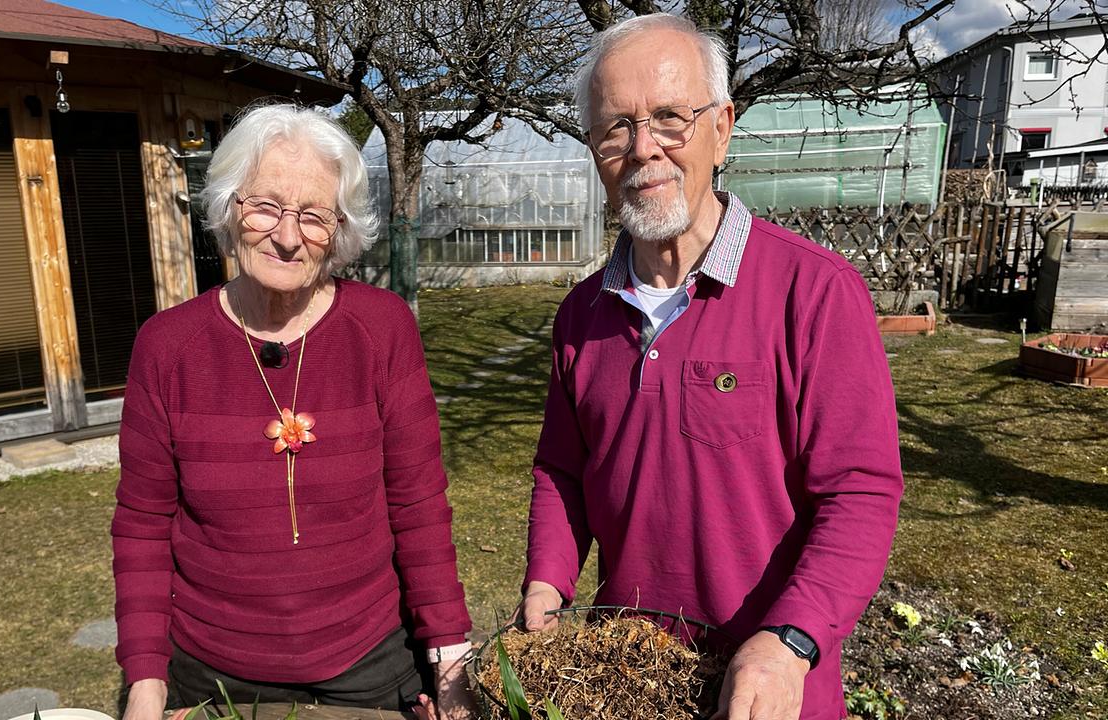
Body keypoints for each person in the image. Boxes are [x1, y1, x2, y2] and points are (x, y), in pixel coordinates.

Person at [518, 14, 903, 720]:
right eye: (616, 128)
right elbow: (563, 471)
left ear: (722, 128)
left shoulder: (813, 293)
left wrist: (789, 641)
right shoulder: (582, 315)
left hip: (767, 691)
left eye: (670, 118)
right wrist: (547, 581)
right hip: (623, 684)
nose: (644, 150)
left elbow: (861, 494)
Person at [113, 103, 474, 720]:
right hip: (214, 678)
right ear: (230, 207)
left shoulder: (381, 330)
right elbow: (143, 524)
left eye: (313, 216)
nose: (286, 235)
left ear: (339, 231)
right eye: (265, 206)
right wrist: (147, 685)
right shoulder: (167, 346)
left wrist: (450, 661)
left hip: (368, 668)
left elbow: (418, 506)